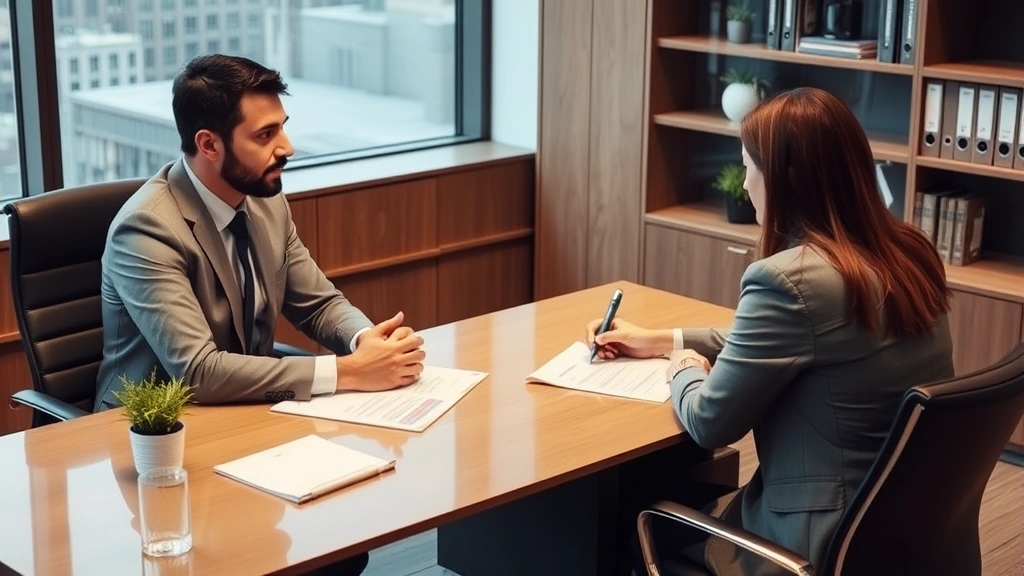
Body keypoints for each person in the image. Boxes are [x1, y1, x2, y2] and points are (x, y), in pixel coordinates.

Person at [586, 87, 954, 575]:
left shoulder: (790, 280)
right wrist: (662, 339)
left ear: (788, 179)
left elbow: (711, 421)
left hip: (812, 543)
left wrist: (682, 369)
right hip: (901, 530)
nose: (743, 184)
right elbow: (783, 342)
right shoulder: (908, 252)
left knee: (619, 525)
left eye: (748, 167)